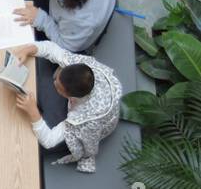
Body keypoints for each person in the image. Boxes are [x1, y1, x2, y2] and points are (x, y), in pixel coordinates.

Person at [8, 41, 122, 174]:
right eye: (58, 77)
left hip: (90, 123)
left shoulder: (82, 119)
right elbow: (53, 50)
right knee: (41, 74)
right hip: (88, 102)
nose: (55, 80)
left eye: (58, 87)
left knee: (32, 144)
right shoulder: (81, 67)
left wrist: (33, 112)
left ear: (70, 96)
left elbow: (49, 140)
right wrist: (29, 49)